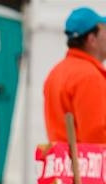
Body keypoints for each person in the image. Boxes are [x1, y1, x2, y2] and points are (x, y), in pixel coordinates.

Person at [43, 7, 106, 143]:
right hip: (83, 156)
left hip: (62, 156)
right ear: (92, 39)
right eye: (104, 30)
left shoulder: (56, 72)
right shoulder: (90, 77)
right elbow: (96, 138)